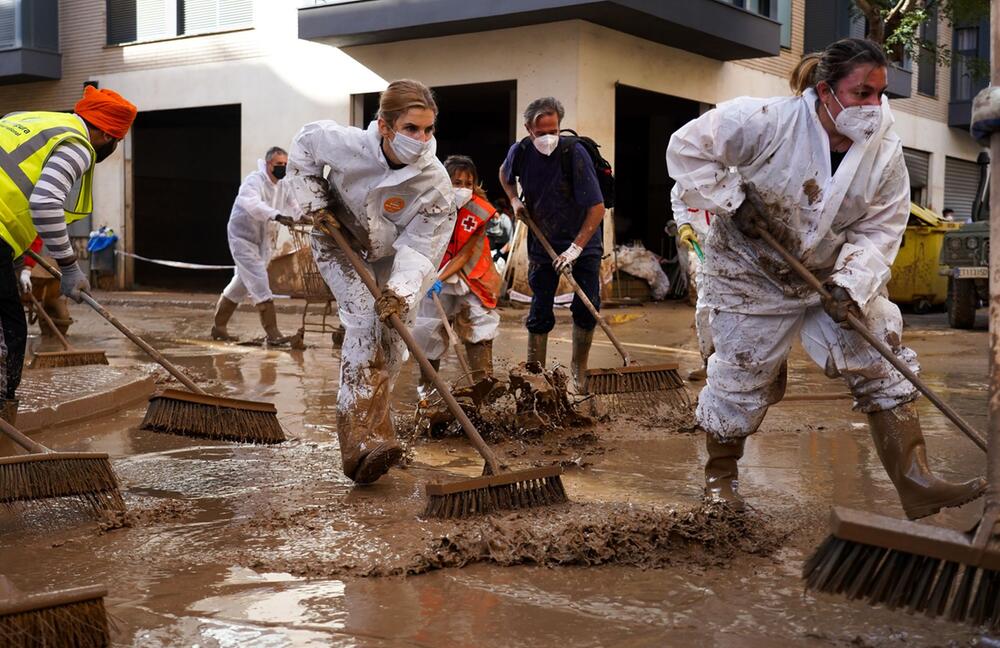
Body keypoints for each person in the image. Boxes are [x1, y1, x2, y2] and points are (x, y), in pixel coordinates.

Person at [666, 37, 984, 520]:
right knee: (741, 373)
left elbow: (881, 228)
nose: (874, 106)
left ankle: (916, 481)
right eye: (862, 93)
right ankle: (720, 480)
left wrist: (850, 284)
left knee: (880, 350)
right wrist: (734, 199)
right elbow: (687, 148)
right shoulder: (766, 119)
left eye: (881, 94)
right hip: (748, 270)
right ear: (826, 90)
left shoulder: (885, 152)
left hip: (828, 273)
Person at [284, 79, 455, 485]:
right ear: (384, 126)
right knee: (363, 322)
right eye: (412, 129)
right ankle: (359, 442)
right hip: (338, 241)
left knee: (393, 342)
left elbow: (422, 243)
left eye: (428, 129)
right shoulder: (341, 142)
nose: (422, 138)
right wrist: (315, 203)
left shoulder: (434, 181)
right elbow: (303, 149)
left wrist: (399, 291)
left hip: (394, 259)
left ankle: (379, 430)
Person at [0, 86, 136, 427]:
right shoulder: (76, 144)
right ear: (105, 133)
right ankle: (4, 424)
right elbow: (45, 203)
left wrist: (17, 257)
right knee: (8, 332)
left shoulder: (25, 119)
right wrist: (70, 267)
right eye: (115, 142)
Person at [499, 97, 605, 390]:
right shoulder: (520, 152)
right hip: (542, 239)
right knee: (540, 307)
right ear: (528, 129)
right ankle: (536, 373)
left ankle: (579, 370)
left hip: (584, 241)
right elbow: (503, 174)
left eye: (553, 131)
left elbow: (597, 208)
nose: (548, 138)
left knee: (586, 306)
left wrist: (575, 248)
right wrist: (514, 199)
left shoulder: (575, 153)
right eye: (541, 132)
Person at [412, 155, 502, 397]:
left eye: (468, 183)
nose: (462, 188)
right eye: (456, 181)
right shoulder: (428, 206)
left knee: (479, 324)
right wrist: (429, 277)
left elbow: (463, 255)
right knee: (427, 328)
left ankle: (483, 389)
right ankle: (427, 389)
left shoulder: (478, 211)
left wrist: (440, 278)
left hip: (471, 277)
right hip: (433, 273)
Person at [211, 146, 295, 346]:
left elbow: (293, 205)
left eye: (285, 164)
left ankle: (219, 327)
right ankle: (273, 331)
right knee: (258, 278)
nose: (282, 168)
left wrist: (304, 217)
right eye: (278, 165)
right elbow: (251, 204)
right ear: (268, 164)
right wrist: (276, 214)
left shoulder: (283, 185)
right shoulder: (254, 181)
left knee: (241, 283)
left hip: (264, 240)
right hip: (242, 238)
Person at [670, 184, 713, 381]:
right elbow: (677, 198)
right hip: (703, 248)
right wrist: (683, 225)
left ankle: (744, 367)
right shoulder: (684, 179)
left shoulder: (729, 168)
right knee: (704, 308)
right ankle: (709, 362)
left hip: (734, 248)